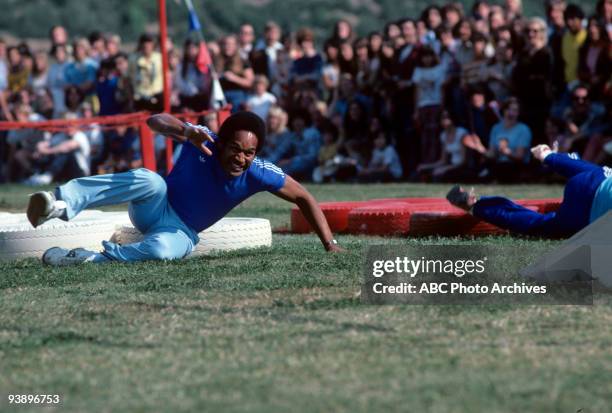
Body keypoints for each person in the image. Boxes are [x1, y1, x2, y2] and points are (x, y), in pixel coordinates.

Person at [26, 111, 343, 266]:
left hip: (182, 231)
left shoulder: (260, 172)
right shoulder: (202, 139)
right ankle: (60, 203)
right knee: (150, 179)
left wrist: (330, 244)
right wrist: (185, 130)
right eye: (234, 148)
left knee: (163, 253)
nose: (241, 158)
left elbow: (304, 196)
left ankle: (86, 260)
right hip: (154, 205)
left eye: (249, 152)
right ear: (221, 143)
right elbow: (154, 121)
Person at [447, 144, 612, 238]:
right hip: (588, 207)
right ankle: (475, 205)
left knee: (597, 171)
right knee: (542, 225)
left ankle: (547, 155)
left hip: (597, 177)